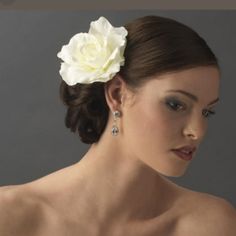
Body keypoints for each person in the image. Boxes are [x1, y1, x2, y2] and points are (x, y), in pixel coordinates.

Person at [0, 15, 235, 236]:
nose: (197, 131)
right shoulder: (9, 215)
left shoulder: (210, 225)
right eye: (175, 104)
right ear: (117, 93)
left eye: (207, 112)